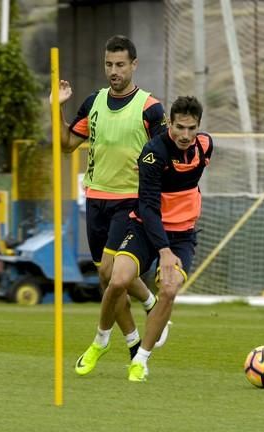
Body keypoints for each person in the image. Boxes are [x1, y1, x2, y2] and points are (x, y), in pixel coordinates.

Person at [53, 35, 170, 369]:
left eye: (120, 64)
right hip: (96, 199)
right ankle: (134, 343)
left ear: (134, 65)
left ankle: (147, 304)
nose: (114, 71)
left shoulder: (150, 107)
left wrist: (153, 168)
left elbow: (167, 154)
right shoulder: (93, 102)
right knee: (107, 282)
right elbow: (65, 145)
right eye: (109, 64)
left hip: (131, 201)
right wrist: (56, 106)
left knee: (111, 272)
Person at [76, 96, 212, 382]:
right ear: (169, 125)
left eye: (192, 128)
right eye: (179, 128)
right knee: (117, 279)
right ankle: (100, 341)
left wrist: (172, 244)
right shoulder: (153, 153)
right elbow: (148, 208)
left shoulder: (206, 146)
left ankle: (140, 359)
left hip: (182, 235)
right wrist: (163, 251)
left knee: (171, 289)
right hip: (145, 228)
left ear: (199, 127)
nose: (185, 135)